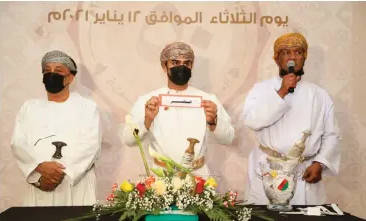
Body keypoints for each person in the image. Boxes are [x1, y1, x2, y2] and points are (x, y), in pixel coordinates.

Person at [243, 33, 341, 205]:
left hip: (303, 172)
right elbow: (253, 121)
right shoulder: (261, 89)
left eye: (298, 52)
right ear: (277, 59)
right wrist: (281, 92)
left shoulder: (319, 95)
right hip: (268, 168)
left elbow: (331, 135)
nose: (292, 57)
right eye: (286, 53)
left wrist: (320, 163)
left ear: (304, 58)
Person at [123, 42, 234, 178]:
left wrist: (214, 122)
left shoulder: (208, 100)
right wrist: (147, 120)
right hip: (161, 177)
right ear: (165, 66)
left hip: (198, 177)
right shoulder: (149, 101)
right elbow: (129, 140)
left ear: (191, 66)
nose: (181, 67)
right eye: (175, 62)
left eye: (186, 63)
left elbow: (228, 138)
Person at [10, 50, 102, 206]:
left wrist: (60, 173)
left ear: (70, 77)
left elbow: (90, 146)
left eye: (58, 70)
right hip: (40, 183)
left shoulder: (87, 107)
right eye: (47, 70)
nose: (51, 74)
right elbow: (18, 144)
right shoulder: (29, 107)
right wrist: (38, 170)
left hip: (75, 186)